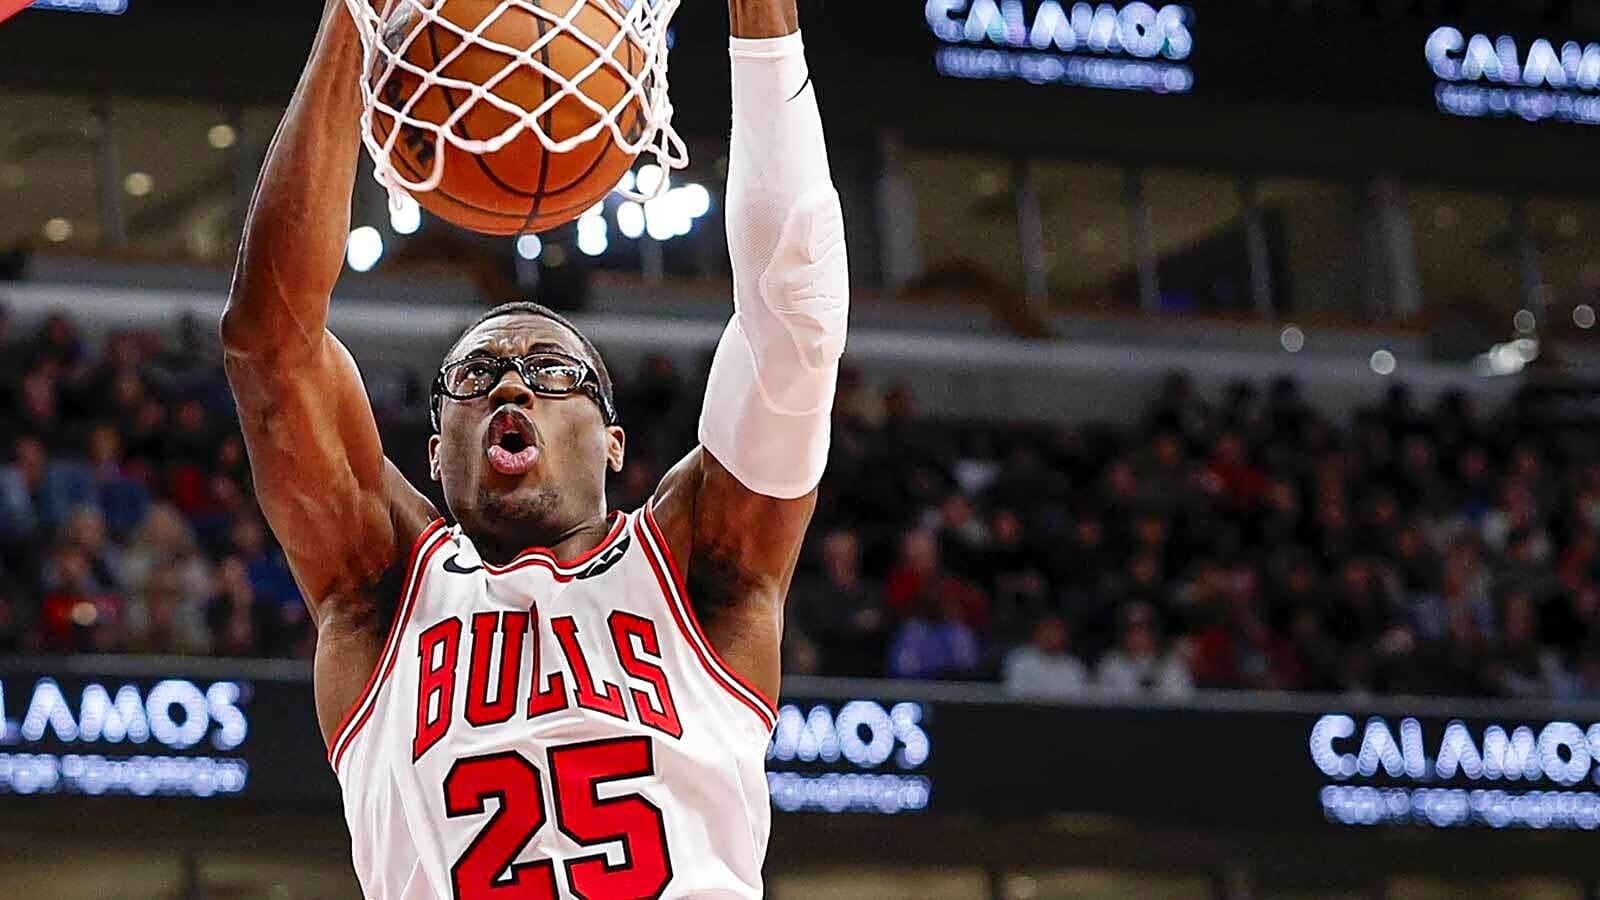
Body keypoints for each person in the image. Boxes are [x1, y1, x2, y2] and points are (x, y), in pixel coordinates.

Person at [221, 0, 845, 896]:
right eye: (473, 381)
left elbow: (797, 323)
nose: (510, 386)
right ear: (435, 454)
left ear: (615, 442)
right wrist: (353, 21)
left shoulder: (704, 568)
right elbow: (268, 348)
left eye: (552, 373)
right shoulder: (381, 590)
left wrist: (765, 19)